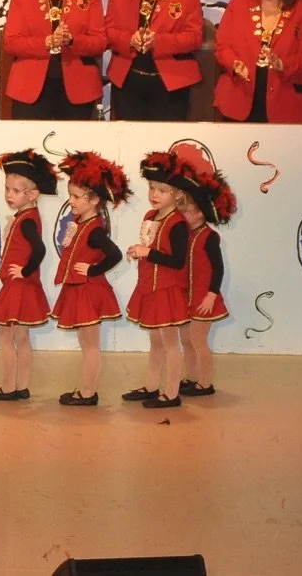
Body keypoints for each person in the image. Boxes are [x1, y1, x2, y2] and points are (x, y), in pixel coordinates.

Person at [52, 152, 128, 407]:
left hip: (89, 291)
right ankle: (86, 389)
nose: (71, 201)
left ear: (94, 200)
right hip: (79, 289)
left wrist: (94, 270)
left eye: (76, 197)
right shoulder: (82, 223)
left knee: (91, 345)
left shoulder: (94, 229)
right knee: (86, 344)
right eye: (70, 195)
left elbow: (115, 254)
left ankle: (87, 393)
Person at [0, 149, 57, 401]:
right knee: (21, 336)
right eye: (7, 189)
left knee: (5, 335)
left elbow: (40, 249)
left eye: (16, 191)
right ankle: (21, 385)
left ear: (32, 194)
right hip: (23, 285)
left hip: (19, 286)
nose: (9, 195)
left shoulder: (26, 220)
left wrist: (24, 271)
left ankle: (8, 387)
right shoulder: (27, 216)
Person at [123, 151, 195, 409]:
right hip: (149, 288)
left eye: (162, 190)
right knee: (155, 341)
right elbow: (150, 248)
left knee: (170, 343)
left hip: (167, 290)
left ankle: (172, 393)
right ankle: (152, 386)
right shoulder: (149, 217)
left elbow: (177, 261)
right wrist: (138, 251)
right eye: (152, 188)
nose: (154, 194)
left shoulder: (177, 223)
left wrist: (148, 253)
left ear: (177, 194)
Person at [180, 164, 236, 398]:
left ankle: (205, 383)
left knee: (198, 340)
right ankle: (192, 377)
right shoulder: (187, 235)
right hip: (187, 297)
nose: (182, 215)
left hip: (204, 298)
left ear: (200, 213)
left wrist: (212, 294)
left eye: (186, 211)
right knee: (186, 340)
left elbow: (218, 268)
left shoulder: (209, 237)